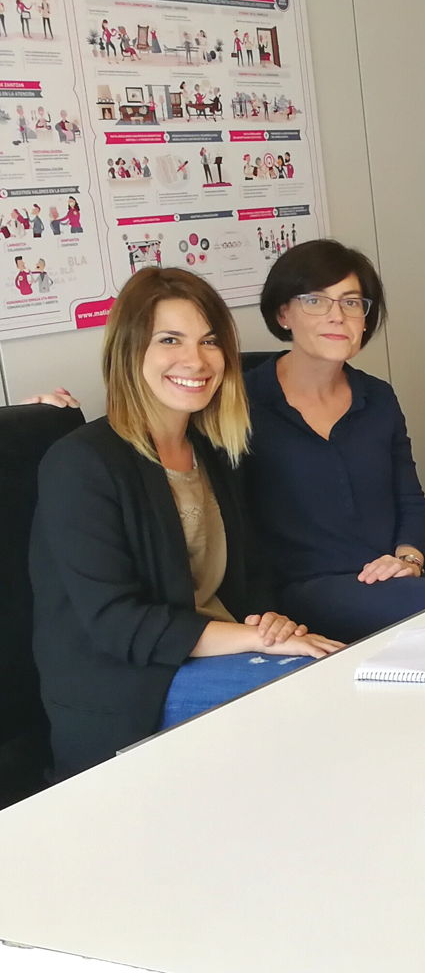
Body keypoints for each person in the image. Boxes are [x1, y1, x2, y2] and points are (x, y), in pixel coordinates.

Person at [29, 268, 342, 781]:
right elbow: (117, 624)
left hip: (211, 653)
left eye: (209, 341)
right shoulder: (81, 463)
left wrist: (268, 624)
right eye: (170, 340)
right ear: (130, 351)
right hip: (130, 685)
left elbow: (250, 576)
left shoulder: (213, 450)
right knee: (318, 694)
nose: (196, 360)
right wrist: (252, 640)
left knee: (342, 673)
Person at [245, 240, 425, 641]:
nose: (337, 316)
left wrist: (408, 558)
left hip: (393, 581)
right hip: (300, 595)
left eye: (351, 302)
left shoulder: (377, 397)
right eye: (315, 301)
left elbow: (412, 502)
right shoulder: (242, 403)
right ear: (283, 313)